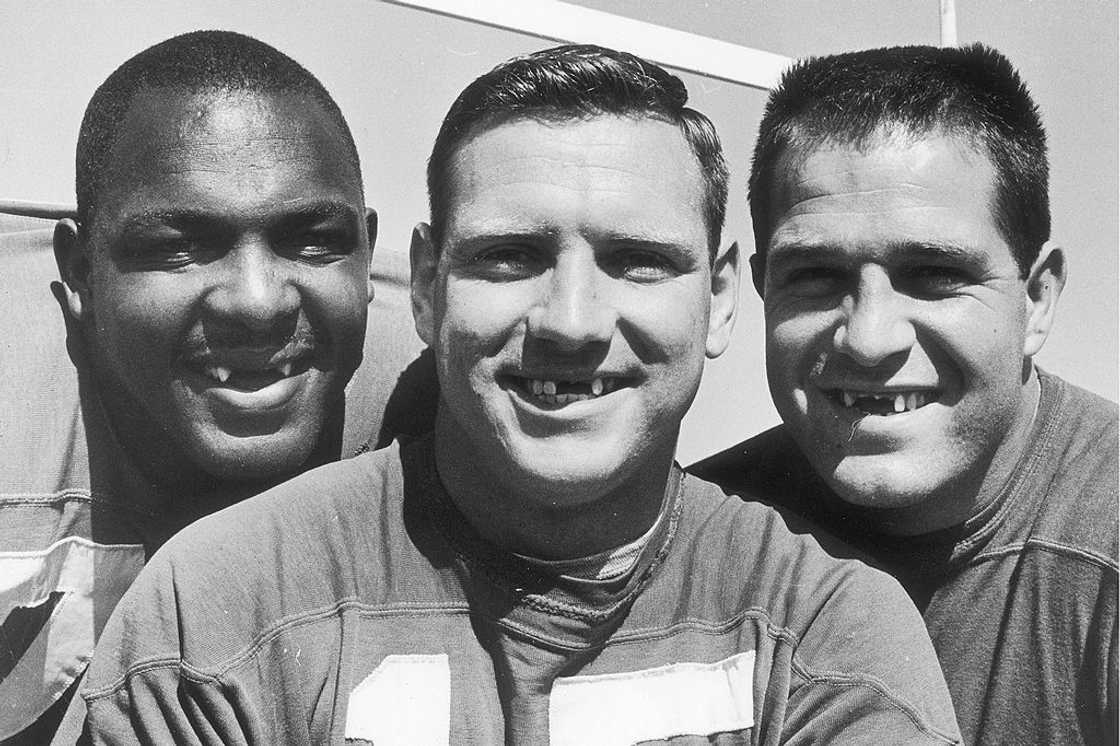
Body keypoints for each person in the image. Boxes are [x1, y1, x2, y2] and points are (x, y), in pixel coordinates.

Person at [81, 44, 962, 744]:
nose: (571, 322)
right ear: (425, 286)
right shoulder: (222, 608)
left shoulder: (827, 633)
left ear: (723, 297)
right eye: (512, 256)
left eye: (638, 261)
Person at [0, 30, 430, 743]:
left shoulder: (441, 380)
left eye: (313, 238)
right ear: (79, 273)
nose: (258, 303)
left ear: (364, 245)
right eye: (178, 247)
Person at [692, 44, 1117, 746]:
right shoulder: (696, 550)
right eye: (817, 275)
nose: (868, 338)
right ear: (762, 288)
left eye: (934, 273)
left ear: (1037, 299)